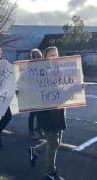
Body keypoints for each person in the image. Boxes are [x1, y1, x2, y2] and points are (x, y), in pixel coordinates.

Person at [28, 46, 66, 180]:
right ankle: (50, 171)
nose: (55, 57)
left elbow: (67, 88)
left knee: (56, 141)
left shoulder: (61, 71)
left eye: (56, 54)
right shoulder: (39, 72)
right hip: (46, 113)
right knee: (53, 142)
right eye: (52, 55)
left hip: (59, 111)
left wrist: (79, 86)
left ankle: (35, 151)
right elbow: (29, 89)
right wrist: (21, 93)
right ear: (45, 58)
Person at [28, 48, 44, 140]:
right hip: (32, 94)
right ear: (33, 57)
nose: (40, 58)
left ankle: (38, 130)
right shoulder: (29, 66)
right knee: (33, 114)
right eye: (37, 56)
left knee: (40, 113)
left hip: (41, 93)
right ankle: (31, 132)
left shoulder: (42, 66)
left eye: (40, 56)